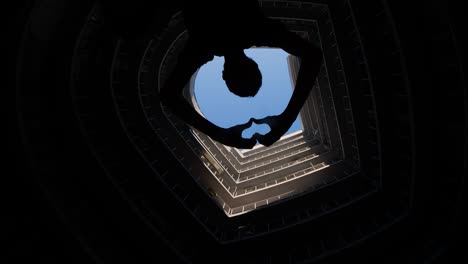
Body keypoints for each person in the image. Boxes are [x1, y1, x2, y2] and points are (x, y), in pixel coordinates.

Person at [160, 0, 323, 149]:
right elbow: (169, 95)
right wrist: (220, 135)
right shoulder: (205, 45)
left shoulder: (256, 30)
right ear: (224, 76)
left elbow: (312, 56)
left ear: (255, 64)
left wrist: (288, 118)